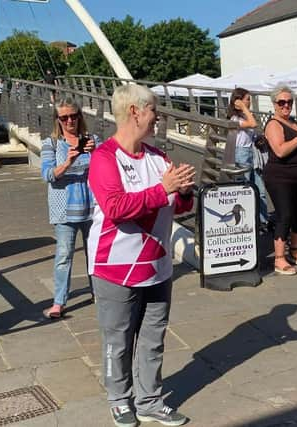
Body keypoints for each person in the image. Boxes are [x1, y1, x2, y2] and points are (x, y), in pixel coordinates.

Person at [87, 84, 194, 427]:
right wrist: (163, 189)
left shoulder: (158, 157)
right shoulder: (105, 158)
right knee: (118, 340)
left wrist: (185, 193)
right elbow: (116, 208)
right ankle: (119, 399)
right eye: (154, 111)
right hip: (115, 267)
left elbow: (176, 205)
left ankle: (149, 400)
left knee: (153, 338)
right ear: (135, 111)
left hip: (158, 266)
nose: (158, 117)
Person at [41, 99, 98, 319]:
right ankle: (59, 302)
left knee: (94, 253)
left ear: (80, 116)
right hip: (64, 209)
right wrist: (69, 161)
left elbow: (108, 169)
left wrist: (97, 154)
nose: (70, 121)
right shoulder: (52, 144)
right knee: (64, 255)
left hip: (91, 207)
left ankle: (98, 293)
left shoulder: (93, 140)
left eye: (73, 116)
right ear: (58, 120)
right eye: (64, 117)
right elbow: (47, 175)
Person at [264, 85, 297, 275]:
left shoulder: (295, 123)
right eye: (282, 102)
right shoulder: (273, 124)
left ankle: (295, 250)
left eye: (289, 102)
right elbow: (280, 150)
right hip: (279, 177)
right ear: (274, 104)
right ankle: (279, 259)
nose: (286, 105)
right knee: (285, 215)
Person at [227, 88, 269, 225]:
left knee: (259, 189)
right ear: (238, 101)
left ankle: (263, 220)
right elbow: (253, 124)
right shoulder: (235, 119)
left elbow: (253, 129)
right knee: (244, 188)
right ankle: (245, 220)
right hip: (241, 154)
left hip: (250, 153)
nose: (249, 102)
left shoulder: (246, 116)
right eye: (247, 99)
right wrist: (244, 108)